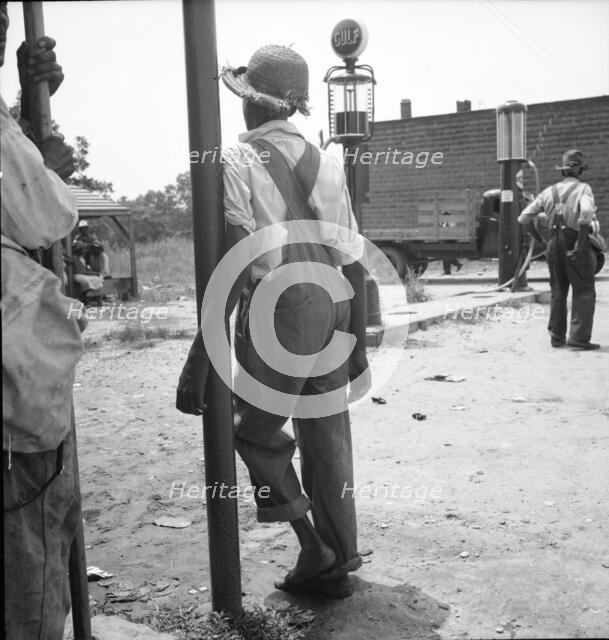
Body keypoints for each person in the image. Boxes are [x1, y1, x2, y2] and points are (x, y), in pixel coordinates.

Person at [176, 44, 371, 598]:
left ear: (251, 106)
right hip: (334, 301)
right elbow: (351, 257)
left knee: (253, 432)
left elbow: (239, 252)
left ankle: (314, 547)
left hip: (280, 308)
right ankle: (339, 557)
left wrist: (200, 355)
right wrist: (356, 340)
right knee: (328, 430)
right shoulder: (327, 159)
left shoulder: (235, 160)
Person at [1, 3, 85, 637]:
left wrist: (29, 112)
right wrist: (41, 152)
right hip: (15, 404)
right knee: (29, 548)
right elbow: (44, 218)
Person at [518, 149, 600, 350]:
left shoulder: (548, 192)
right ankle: (579, 339)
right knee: (584, 290)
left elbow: (523, 218)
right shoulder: (583, 189)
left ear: (563, 172)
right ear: (580, 171)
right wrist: (581, 243)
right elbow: (587, 212)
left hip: (553, 243)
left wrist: (541, 240)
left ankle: (557, 337)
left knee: (558, 291)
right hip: (574, 240)